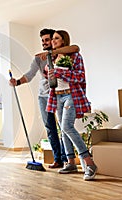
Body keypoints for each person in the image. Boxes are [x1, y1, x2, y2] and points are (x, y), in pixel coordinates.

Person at [10, 28, 79, 168]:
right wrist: (17, 82)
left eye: (48, 39)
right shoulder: (39, 58)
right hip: (44, 96)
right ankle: (57, 159)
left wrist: (52, 53)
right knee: (50, 126)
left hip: (60, 94)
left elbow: (75, 48)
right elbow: (29, 75)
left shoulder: (63, 53)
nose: (45, 42)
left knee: (63, 126)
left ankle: (68, 159)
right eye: (43, 40)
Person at [47, 30, 97, 180]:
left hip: (71, 95)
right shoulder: (54, 58)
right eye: (52, 39)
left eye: (56, 38)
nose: (53, 41)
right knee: (63, 130)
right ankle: (71, 163)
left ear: (64, 40)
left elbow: (80, 76)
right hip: (58, 96)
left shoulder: (74, 56)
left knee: (67, 126)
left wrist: (59, 73)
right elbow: (54, 79)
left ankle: (89, 164)